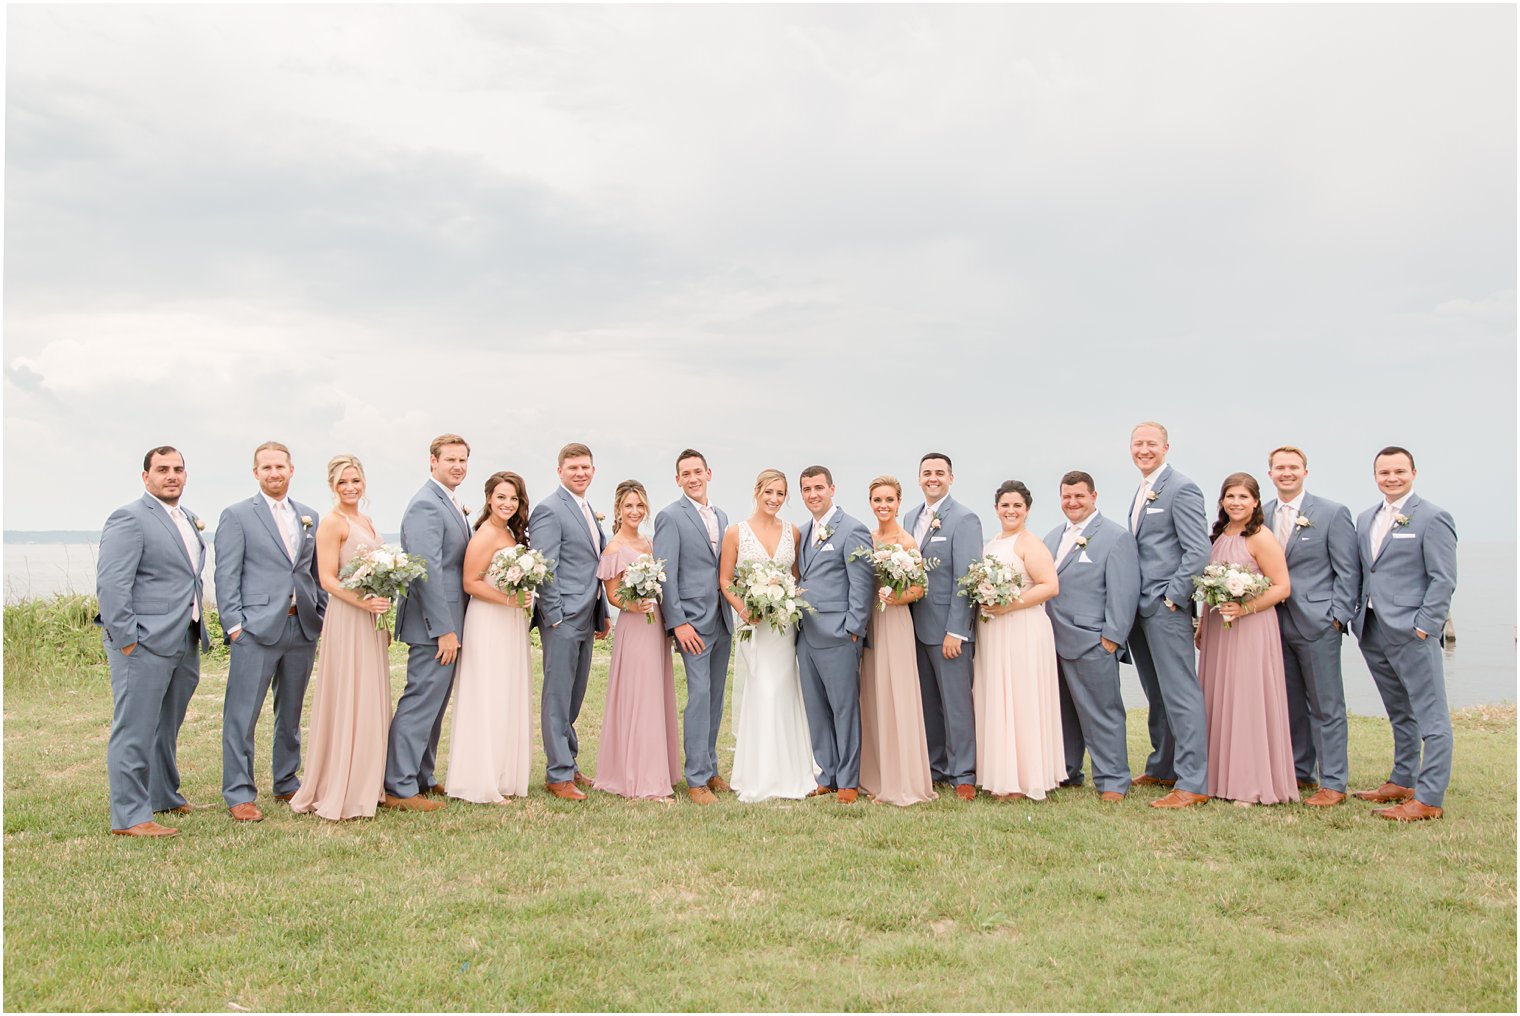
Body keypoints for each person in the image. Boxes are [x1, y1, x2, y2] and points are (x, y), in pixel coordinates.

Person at [96, 446, 211, 837]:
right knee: (134, 728)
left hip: (184, 637)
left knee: (166, 725)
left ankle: (164, 795)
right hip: (142, 643)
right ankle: (130, 816)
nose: (171, 476)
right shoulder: (128, 518)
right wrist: (127, 639)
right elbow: (112, 584)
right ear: (146, 476)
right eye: (162, 469)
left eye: (178, 469)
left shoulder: (187, 518)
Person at [214, 441, 326, 823]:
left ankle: (285, 780)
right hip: (255, 631)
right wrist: (234, 626)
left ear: (291, 470)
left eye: (280, 466)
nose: (274, 473)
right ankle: (239, 792)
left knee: (291, 712)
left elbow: (313, 572)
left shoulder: (309, 516)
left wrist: (319, 612)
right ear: (256, 472)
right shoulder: (237, 515)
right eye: (266, 467)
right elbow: (225, 574)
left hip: (301, 626)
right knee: (242, 715)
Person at [1349, 447, 1458, 822]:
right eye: (1384, 472)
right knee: (1399, 711)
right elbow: (1368, 572)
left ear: (1413, 472)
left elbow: (1443, 579)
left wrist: (1426, 625)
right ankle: (1403, 779)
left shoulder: (1433, 517)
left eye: (1399, 471)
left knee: (1432, 717)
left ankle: (1428, 799)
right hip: (1373, 628)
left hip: (1414, 632)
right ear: (1375, 476)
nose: (1391, 477)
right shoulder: (1366, 519)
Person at [289, 456, 394, 821]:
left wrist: (382, 610)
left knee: (371, 695)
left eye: (356, 481)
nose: (350, 487)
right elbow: (328, 579)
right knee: (351, 693)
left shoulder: (365, 520)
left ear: (363, 483)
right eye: (343, 482)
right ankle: (342, 786)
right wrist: (365, 602)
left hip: (371, 618)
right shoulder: (332, 523)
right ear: (332, 486)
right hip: (349, 617)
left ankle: (367, 781)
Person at [1261, 446, 1360, 807]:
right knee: (1289, 703)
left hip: (1318, 623)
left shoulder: (1332, 513)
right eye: (1279, 468)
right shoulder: (1264, 515)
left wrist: (1336, 618)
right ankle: (1301, 771)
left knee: (1326, 705)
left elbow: (1348, 572)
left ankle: (1333, 782)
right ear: (1270, 473)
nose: (1286, 473)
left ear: (1305, 471)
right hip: (1274, 623)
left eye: (1293, 467)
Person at [1195, 473, 1297, 806]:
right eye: (1230, 496)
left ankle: (1251, 784)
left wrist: (1244, 608)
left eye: (1243, 497)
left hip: (1251, 625)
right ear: (1222, 501)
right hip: (1217, 626)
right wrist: (1201, 625)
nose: (1235, 503)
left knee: (1248, 699)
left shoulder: (1261, 537)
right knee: (1218, 696)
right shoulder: (1218, 535)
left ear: (1255, 501)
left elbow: (1282, 587)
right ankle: (1217, 779)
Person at [1125, 422, 1212, 810]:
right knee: (1156, 693)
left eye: (1151, 444)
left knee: (1180, 693)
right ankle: (1163, 765)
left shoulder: (1183, 488)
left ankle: (1193, 781)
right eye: (1138, 444)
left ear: (1166, 447)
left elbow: (1198, 551)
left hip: (1164, 607)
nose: (1144, 450)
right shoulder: (1142, 490)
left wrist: (1174, 598)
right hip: (1139, 609)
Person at [384, 434, 472, 812]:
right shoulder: (426, 504)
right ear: (432, 462)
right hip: (433, 624)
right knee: (421, 701)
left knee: (436, 703)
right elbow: (426, 571)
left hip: (448, 620)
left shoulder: (448, 502)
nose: (457, 466)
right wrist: (444, 629)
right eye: (450, 459)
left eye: (463, 460)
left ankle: (422, 775)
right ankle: (399, 786)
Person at [1041, 471, 1140, 802]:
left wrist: (1112, 637)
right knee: (1063, 713)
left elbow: (1124, 592)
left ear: (1094, 497)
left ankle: (1112, 780)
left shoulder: (1115, 537)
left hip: (1091, 639)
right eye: (1067, 496)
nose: (1072, 502)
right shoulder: (1052, 537)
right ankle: (1067, 771)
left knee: (1103, 713)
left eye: (1079, 496)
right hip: (1053, 640)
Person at [719, 468, 816, 803]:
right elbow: (726, 581)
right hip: (755, 625)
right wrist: (745, 609)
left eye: (780, 494)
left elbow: (796, 576)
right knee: (763, 688)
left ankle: (793, 769)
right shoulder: (736, 532)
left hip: (784, 625)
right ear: (756, 492)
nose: (774, 499)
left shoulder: (793, 532)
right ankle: (759, 772)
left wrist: (788, 599)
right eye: (768, 492)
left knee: (787, 688)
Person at [445, 471, 535, 804]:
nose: (507, 503)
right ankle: (479, 780)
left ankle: (502, 774)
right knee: (488, 694)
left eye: (513, 498)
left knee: (506, 694)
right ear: (489, 499)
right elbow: (471, 582)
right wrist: (510, 600)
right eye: (501, 497)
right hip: (488, 621)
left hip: (509, 621)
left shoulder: (510, 532)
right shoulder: (485, 534)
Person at [528, 443, 611, 801]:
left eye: (586, 467)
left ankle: (570, 763)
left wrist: (602, 610)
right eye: (573, 467)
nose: (580, 473)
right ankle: (557, 774)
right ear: (559, 471)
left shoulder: (587, 508)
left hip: (587, 613)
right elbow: (545, 567)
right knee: (558, 694)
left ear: (594, 471)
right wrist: (556, 615)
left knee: (575, 695)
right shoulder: (549, 509)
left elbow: (593, 565)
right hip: (563, 619)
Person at [652, 449, 735, 805]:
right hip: (692, 624)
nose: (692, 478)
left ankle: (712, 768)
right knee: (699, 696)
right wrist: (678, 624)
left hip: (722, 619)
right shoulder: (670, 516)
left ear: (709, 473)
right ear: (677, 480)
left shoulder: (722, 515)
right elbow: (665, 574)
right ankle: (696, 778)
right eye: (685, 473)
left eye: (697, 471)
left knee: (715, 697)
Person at [972, 481, 1064, 800]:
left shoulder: (1030, 543)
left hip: (1022, 627)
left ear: (1027, 509)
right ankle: (1001, 774)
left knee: (1022, 698)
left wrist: (1010, 603)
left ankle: (1026, 779)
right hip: (993, 630)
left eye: (1017, 506)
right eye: (1005, 505)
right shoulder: (992, 543)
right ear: (996, 508)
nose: (1011, 511)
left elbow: (1049, 586)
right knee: (998, 697)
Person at [593, 480, 681, 802]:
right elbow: (613, 594)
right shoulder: (614, 548)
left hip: (655, 624)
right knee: (640, 697)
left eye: (640, 505)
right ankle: (642, 780)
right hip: (635, 624)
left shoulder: (650, 542)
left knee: (656, 694)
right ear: (618, 509)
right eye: (629, 506)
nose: (635, 511)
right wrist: (634, 603)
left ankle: (661, 770)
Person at [795, 466, 874, 803]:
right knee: (816, 709)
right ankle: (826, 774)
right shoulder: (800, 532)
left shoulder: (852, 529)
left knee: (844, 710)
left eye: (818, 488)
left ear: (832, 489)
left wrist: (853, 629)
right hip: (806, 636)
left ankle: (848, 781)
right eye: (807, 489)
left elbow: (863, 583)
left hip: (839, 635)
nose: (813, 494)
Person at [905, 452, 983, 800]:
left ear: (951, 478)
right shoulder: (910, 517)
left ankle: (964, 773)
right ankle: (935, 768)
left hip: (948, 631)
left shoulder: (965, 519)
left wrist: (958, 630)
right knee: (927, 704)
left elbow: (967, 579)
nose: (932, 478)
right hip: (914, 628)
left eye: (939, 472)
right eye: (926, 473)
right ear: (919, 479)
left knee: (956, 704)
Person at [858, 476, 937, 806]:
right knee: (873, 694)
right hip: (872, 622)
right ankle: (875, 776)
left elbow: (920, 588)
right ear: (871, 502)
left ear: (899, 502)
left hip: (895, 622)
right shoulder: (869, 538)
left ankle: (901, 781)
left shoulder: (907, 542)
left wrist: (897, 598)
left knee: (897, 695)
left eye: (889, 499)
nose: (883, 505)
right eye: (877, 500)